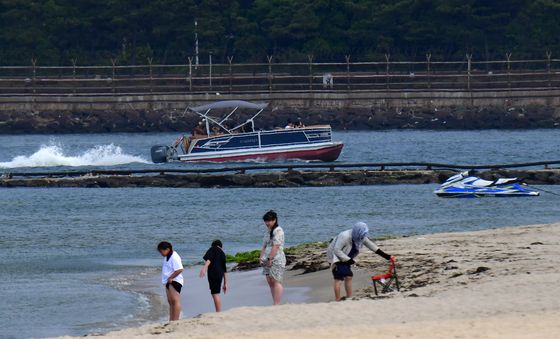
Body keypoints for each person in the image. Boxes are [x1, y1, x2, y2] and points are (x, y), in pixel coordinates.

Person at [326, 222, 394, 301]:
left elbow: (372, 246)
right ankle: (337, 300)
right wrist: (349, 260)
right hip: (335, 257)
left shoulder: (360, 236)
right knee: (339, 277)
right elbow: (336, 250)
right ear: (357, 231)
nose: (364, 235)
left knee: (348, 276)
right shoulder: (344, 236)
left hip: (346, 257)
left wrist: (387, 256)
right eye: (363, 233)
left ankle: (349, 298)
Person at [260, 210, 286, 305]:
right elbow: (264, 246)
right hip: (266, 259)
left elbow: (276, 246)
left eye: (269, 221)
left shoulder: (278, 231)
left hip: (276, 259)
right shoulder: (268, 231)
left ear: (274, 220)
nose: (267, 223)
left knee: (276, 280)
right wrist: (261, 257)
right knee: (270, 281)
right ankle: (275, 302)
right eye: (266, 221)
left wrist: (270, 259)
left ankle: (277, 303)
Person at [157, 241, 184, 321]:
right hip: (168, 281)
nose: (161, 253)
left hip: (174, 281)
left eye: (161, 251)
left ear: (167, 249)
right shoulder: (167, 257)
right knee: (171, 302)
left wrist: (171, 278)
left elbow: (180, 269)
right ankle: (171, 320)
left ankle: (175, 321)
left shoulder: (174, 256)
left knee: (175, 301)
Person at [199, 239, 228, 312]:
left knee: (215, 293)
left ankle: (218, 312)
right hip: (220, 274)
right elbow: (225, 270)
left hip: (214, 273)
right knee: (216, 293)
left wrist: (204, 268)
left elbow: (209, 259)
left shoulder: (213, 248)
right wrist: (225, 283)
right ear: (221, 246)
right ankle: (218, 311)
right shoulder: (223, 253)